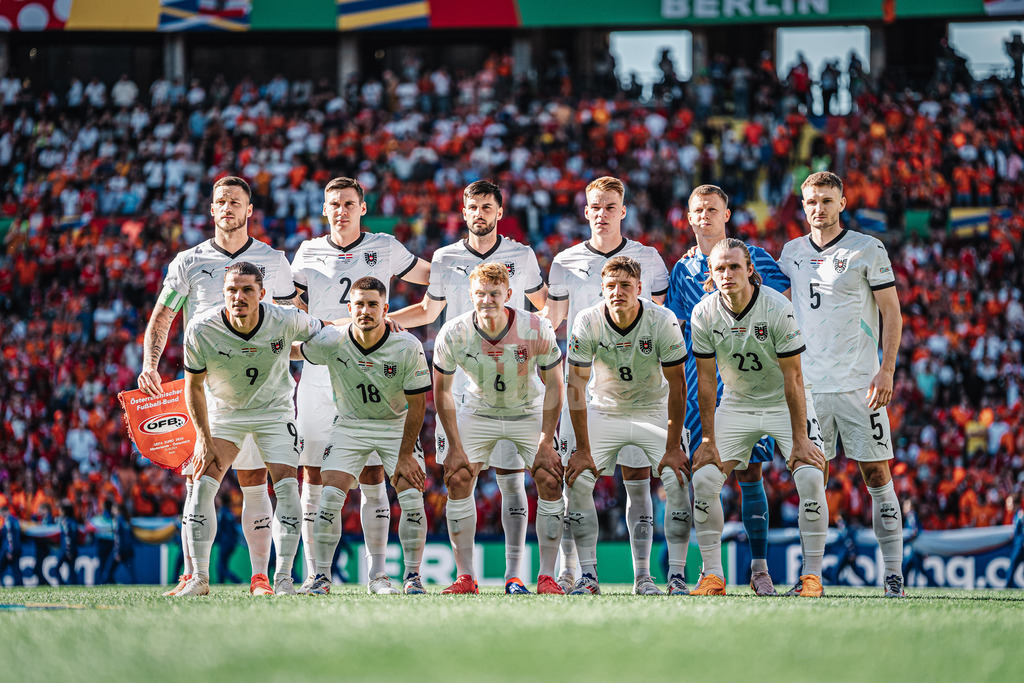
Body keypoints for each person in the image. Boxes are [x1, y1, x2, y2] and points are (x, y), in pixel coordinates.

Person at [137, 176, 296, 597]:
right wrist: (150, 364)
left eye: (236, 202)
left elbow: (292, 317)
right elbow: (163, 315)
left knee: (253, 479)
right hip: (206, 385)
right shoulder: (188, 261)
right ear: (212, 210)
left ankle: (260, 577)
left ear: (249, 211)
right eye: (220, 201)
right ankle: (194, 575)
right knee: (198, 477)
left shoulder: (273, 261)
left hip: (261, 386)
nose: (227, 207)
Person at [390, 180, 548, 594]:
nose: (479, 213)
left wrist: (550, 335)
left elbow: (544, 305)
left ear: (499, 211)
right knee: (460, 477)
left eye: (487, 207)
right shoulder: (444, 257)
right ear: (464, 211)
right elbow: (428, 311)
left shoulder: (522, 256)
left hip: (513, 383)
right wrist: (388, 321)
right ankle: (466, 577)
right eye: (473, 206)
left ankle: (515, 575)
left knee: (513, 479)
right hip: (462, 388)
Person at [290, 176, 430, 595]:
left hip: (375, 366)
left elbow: (435, 281)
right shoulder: (308, 252)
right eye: (334, 203)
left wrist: (390, 326)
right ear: (325, 209)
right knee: (313, 475)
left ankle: (380, 576)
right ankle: (315, 574)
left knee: (372, 473)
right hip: (323, 371)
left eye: (349, 203)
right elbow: (292, 313)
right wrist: (327, 330)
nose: (342, 210)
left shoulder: (385, 246)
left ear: (362, 208)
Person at [779, 171, 906, 598]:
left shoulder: (868, 249)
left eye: (827, 200)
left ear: (843, 202)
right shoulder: (791, 253)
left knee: (875, 472)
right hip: (810, 388)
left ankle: (893, 575)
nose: (819, 208)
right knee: (811, 479)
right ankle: (812, 576)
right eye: (812, 201)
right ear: (803, 205)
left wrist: (886, 369)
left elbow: (892, 312)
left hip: (859, 385)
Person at [547, 176, 671, 595]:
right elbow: (552, 322)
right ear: (586, 211)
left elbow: (660, 318)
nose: (602, 213)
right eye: (595, 206)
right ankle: (573, 573)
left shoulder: (648, 258)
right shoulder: (564, 261)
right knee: (574, 477)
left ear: (623, 211)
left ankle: (644, 577)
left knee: (638, 478)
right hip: (584, 389)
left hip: (637, 389)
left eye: (610, 206)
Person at [665, 184, 791, 596]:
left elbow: (784, 305)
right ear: (689, 217)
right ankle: (708, 570)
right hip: (697, 383)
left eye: (712, 209)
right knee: (700, 474)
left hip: (747, 384)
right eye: (698, 210)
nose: (705, 216)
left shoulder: (752, 258)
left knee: (750, 474)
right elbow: (678, 329)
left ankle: (759, 569)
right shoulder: (681, 270)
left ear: (726, 214)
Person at [688, 239, 828, 597]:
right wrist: (707, 439)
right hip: (736, 404)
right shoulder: (703, 312)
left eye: (735, 266)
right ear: (711, 273)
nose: (727, 274)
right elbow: (705, 381)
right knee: (704, 479)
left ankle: (812, 577)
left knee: (810, 475)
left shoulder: (776, 307)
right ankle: (713, 576)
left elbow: (794, 378)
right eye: (720, 268)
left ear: (750, 269)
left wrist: (800, 438)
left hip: (785, 401)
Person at [176, 262, 325, 596]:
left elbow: (323, 330)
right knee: (201, 485)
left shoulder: (285, 318)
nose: (238, 296)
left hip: (274, 412)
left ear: (262, 292)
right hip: (225, 413)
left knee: (287, 486)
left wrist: (370, 330)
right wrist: (202, 438)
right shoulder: (201, 328)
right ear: (223, 293)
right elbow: (193, 387)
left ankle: (282, 577)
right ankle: (199, 578)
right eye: (231, 289)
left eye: (246, 289)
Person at [433, 263, 565, 594]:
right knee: (459, 475)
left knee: (550, 477)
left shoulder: (535, 327)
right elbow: (442, 392)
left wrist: (546, 441)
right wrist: (454, 446)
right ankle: (465, 577)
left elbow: (556, 386)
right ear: (470, 296)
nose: (488, 300)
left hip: (526, 410)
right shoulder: (453, 332)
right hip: (479, 411)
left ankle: (547, 576)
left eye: (495, 293)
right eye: (481, 294)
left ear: (508, 294)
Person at [564, 256, 692, 596]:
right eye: (610, 286)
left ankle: (670, 576)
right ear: (601, 290)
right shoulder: (587, 320)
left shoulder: (662, 320)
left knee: (676, 479)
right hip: (605, 410)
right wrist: (582, 449)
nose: (617, 292)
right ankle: (588, 575)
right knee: (578, 481)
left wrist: (674, 446)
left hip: (652, 409)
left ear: (639, 287)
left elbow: (678, 386)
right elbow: (575, 386)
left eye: (625, 285)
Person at [829, 515, 869, 586]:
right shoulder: (843, 530)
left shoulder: (847, 530)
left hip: (846, 554)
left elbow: (850, 542)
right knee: (838, 571)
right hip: (846, 553)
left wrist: (852, 552)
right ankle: (835, 584)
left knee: (836, 571)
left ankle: (835, 584)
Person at [109, 502, 136, 585]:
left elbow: (118, 537)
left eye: (113, 508)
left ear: (117, 510)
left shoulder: (117, 520)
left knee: (109, 569)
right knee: (130, 569)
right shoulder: (127, 520)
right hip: (128, 548)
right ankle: (134, 583)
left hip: (121, 549)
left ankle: (107, 582)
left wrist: (117, 551)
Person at [56, 502, 80, 586]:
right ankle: (73, 586)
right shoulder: (74, 521)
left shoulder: (65, 522)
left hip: (66, 550)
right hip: (74, 549)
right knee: (72, 570)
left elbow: (67, 537)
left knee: (56, 569)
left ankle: (62, 585)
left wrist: (68, 552)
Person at [0, 504, 23, 587]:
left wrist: (10, 551)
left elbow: (10, 537)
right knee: (16, 569)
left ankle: (5, 585)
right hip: (17, 548)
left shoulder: (8, 521)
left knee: (4, 567)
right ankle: (20, 586)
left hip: (10, 550)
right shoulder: (15, 520)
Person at [1007, 495, 1024, 589]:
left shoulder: (1021, 514)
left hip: (1021, 545)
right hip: (1018, 544)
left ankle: (1007, 587)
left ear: (1015, 504)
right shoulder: (1016, 515)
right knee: (1013, 566)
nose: (1007, 506)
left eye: (1009, 503)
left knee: (1013, 566)